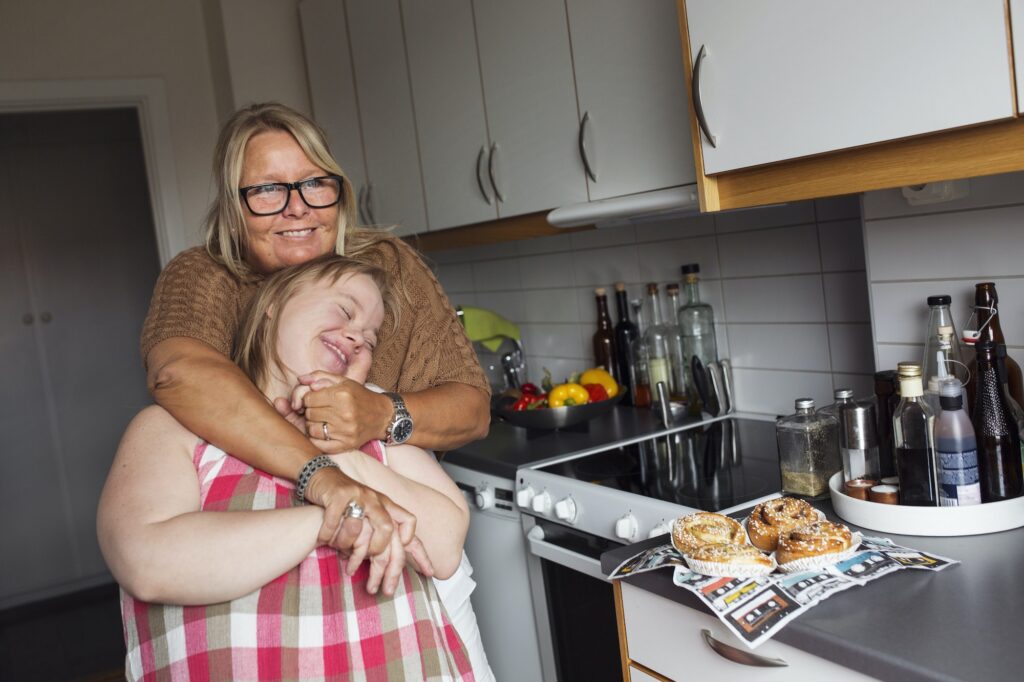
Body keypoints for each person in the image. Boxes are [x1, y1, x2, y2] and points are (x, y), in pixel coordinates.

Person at [140, 102, 491, 584]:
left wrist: (377, 413)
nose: (298, 206)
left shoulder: (390, 265)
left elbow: (471, 410)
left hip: (408, 550)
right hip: (257, 554)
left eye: (314, 182)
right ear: (233, 207)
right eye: (267, 189)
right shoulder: (205, 274)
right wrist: (323, 478)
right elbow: (179, 374)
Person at [99, 256, 480, 680]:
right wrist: (328, 523)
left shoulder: (369, 435)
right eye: (344, 310)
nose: (358, 337)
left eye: (371, 341)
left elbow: (445, 548)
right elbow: (149, 564)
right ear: (273, 306)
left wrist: (337, 448)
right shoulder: (174, 429)